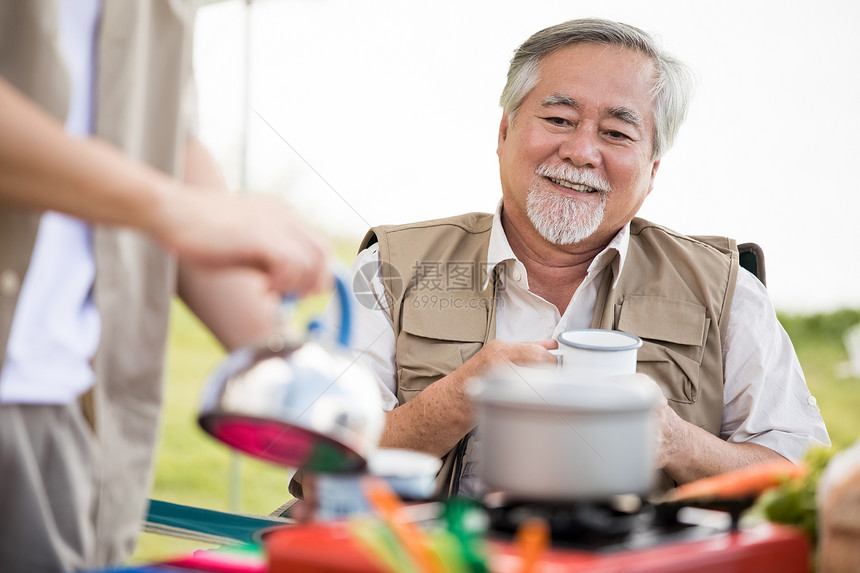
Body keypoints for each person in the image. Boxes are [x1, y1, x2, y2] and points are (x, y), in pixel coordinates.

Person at [312, 18, 830, 499]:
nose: (582, 151)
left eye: (616, 133)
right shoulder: (389, 269)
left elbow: (801, 482)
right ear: (504, 132)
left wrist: (678, 442)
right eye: (559, 119)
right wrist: (460, 395)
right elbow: (319, 474)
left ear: (652, 169)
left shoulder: (728, 289)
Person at [0, 1, 329, 571]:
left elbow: (164, 143)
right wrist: (174, 210)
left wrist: (297, 391)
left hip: (62, 411)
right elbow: (171, 200)